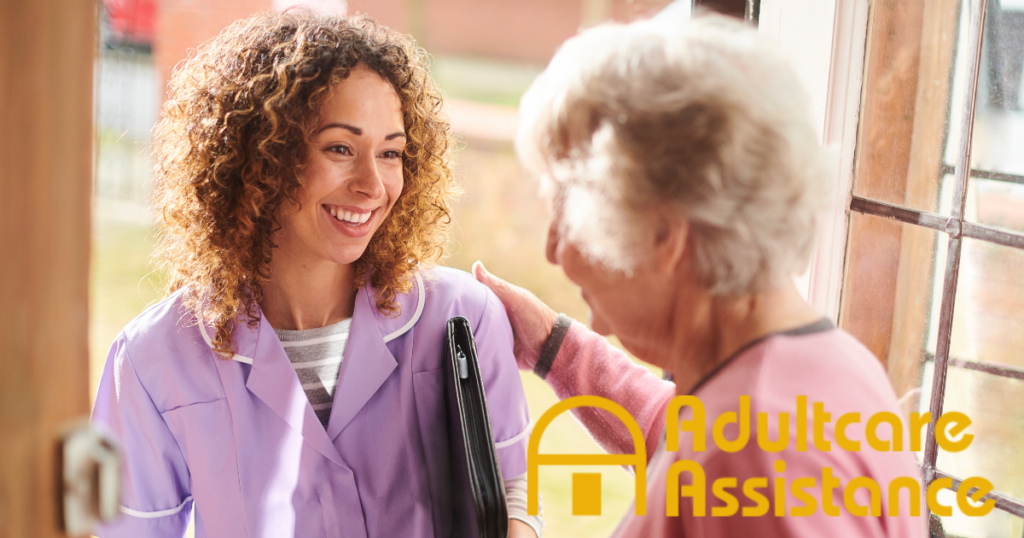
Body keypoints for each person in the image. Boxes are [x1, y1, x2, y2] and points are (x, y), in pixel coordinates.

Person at [472, 14, 927, 538]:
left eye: (565, 206)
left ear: (666, 235)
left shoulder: (755, 460)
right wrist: (554, 345)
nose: (553, 250)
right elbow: (689, 438)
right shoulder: (823, 371)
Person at [91, 10, 540, 538]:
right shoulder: (154, 359)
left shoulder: (461, 320)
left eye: (391, 152)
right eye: (340, 149)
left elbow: (515, 497)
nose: (373, 185)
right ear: (261, 157)